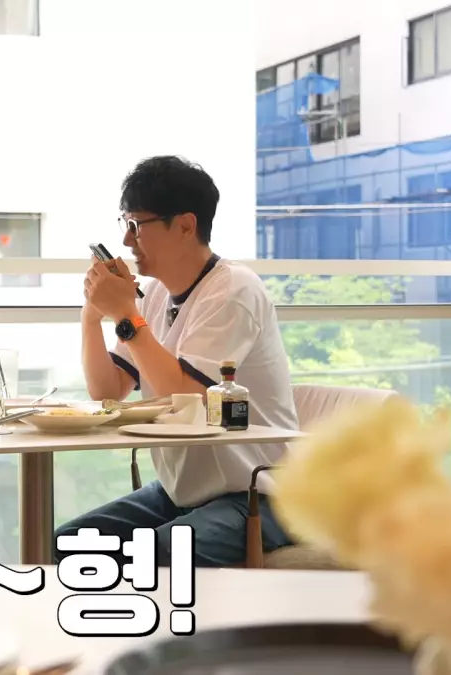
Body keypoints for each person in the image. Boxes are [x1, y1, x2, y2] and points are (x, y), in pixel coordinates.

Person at [55, 156, 299, 567]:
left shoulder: (234, 290)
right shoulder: (153, 295)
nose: (127, 241)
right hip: (184, 492)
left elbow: (186, 397)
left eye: (137, 225)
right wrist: (92, 316)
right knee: (67, 544)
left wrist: (125, 315)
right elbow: (107, 391)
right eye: (124, 224)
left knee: (154, 556)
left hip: (261, 493)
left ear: (186, 225)